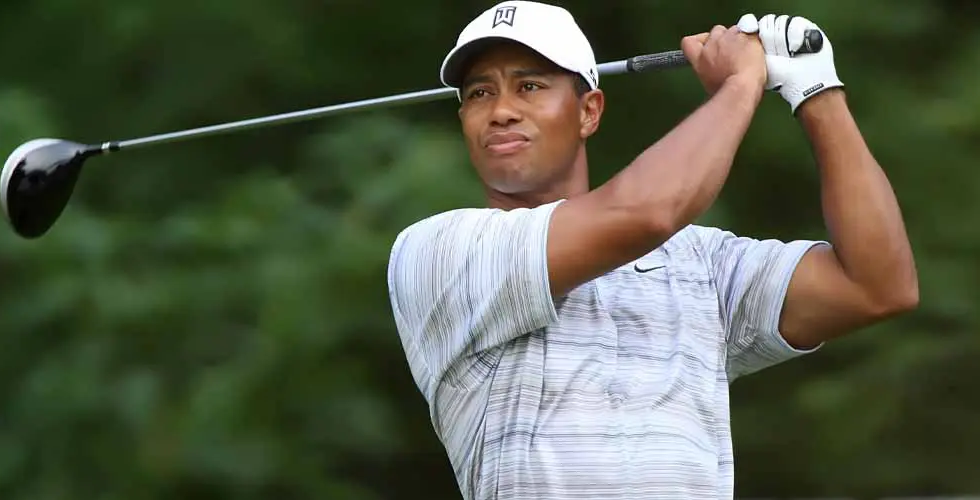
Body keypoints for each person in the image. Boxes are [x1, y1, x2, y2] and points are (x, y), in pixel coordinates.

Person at [385, 1, 918, 499]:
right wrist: (741, 84)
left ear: (588, 112)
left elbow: (876, 286)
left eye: (529, 86)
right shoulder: (437, 251)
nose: (501, 110)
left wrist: (816, 89)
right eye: (480, 93)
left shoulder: (701, 263)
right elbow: (646, 212)